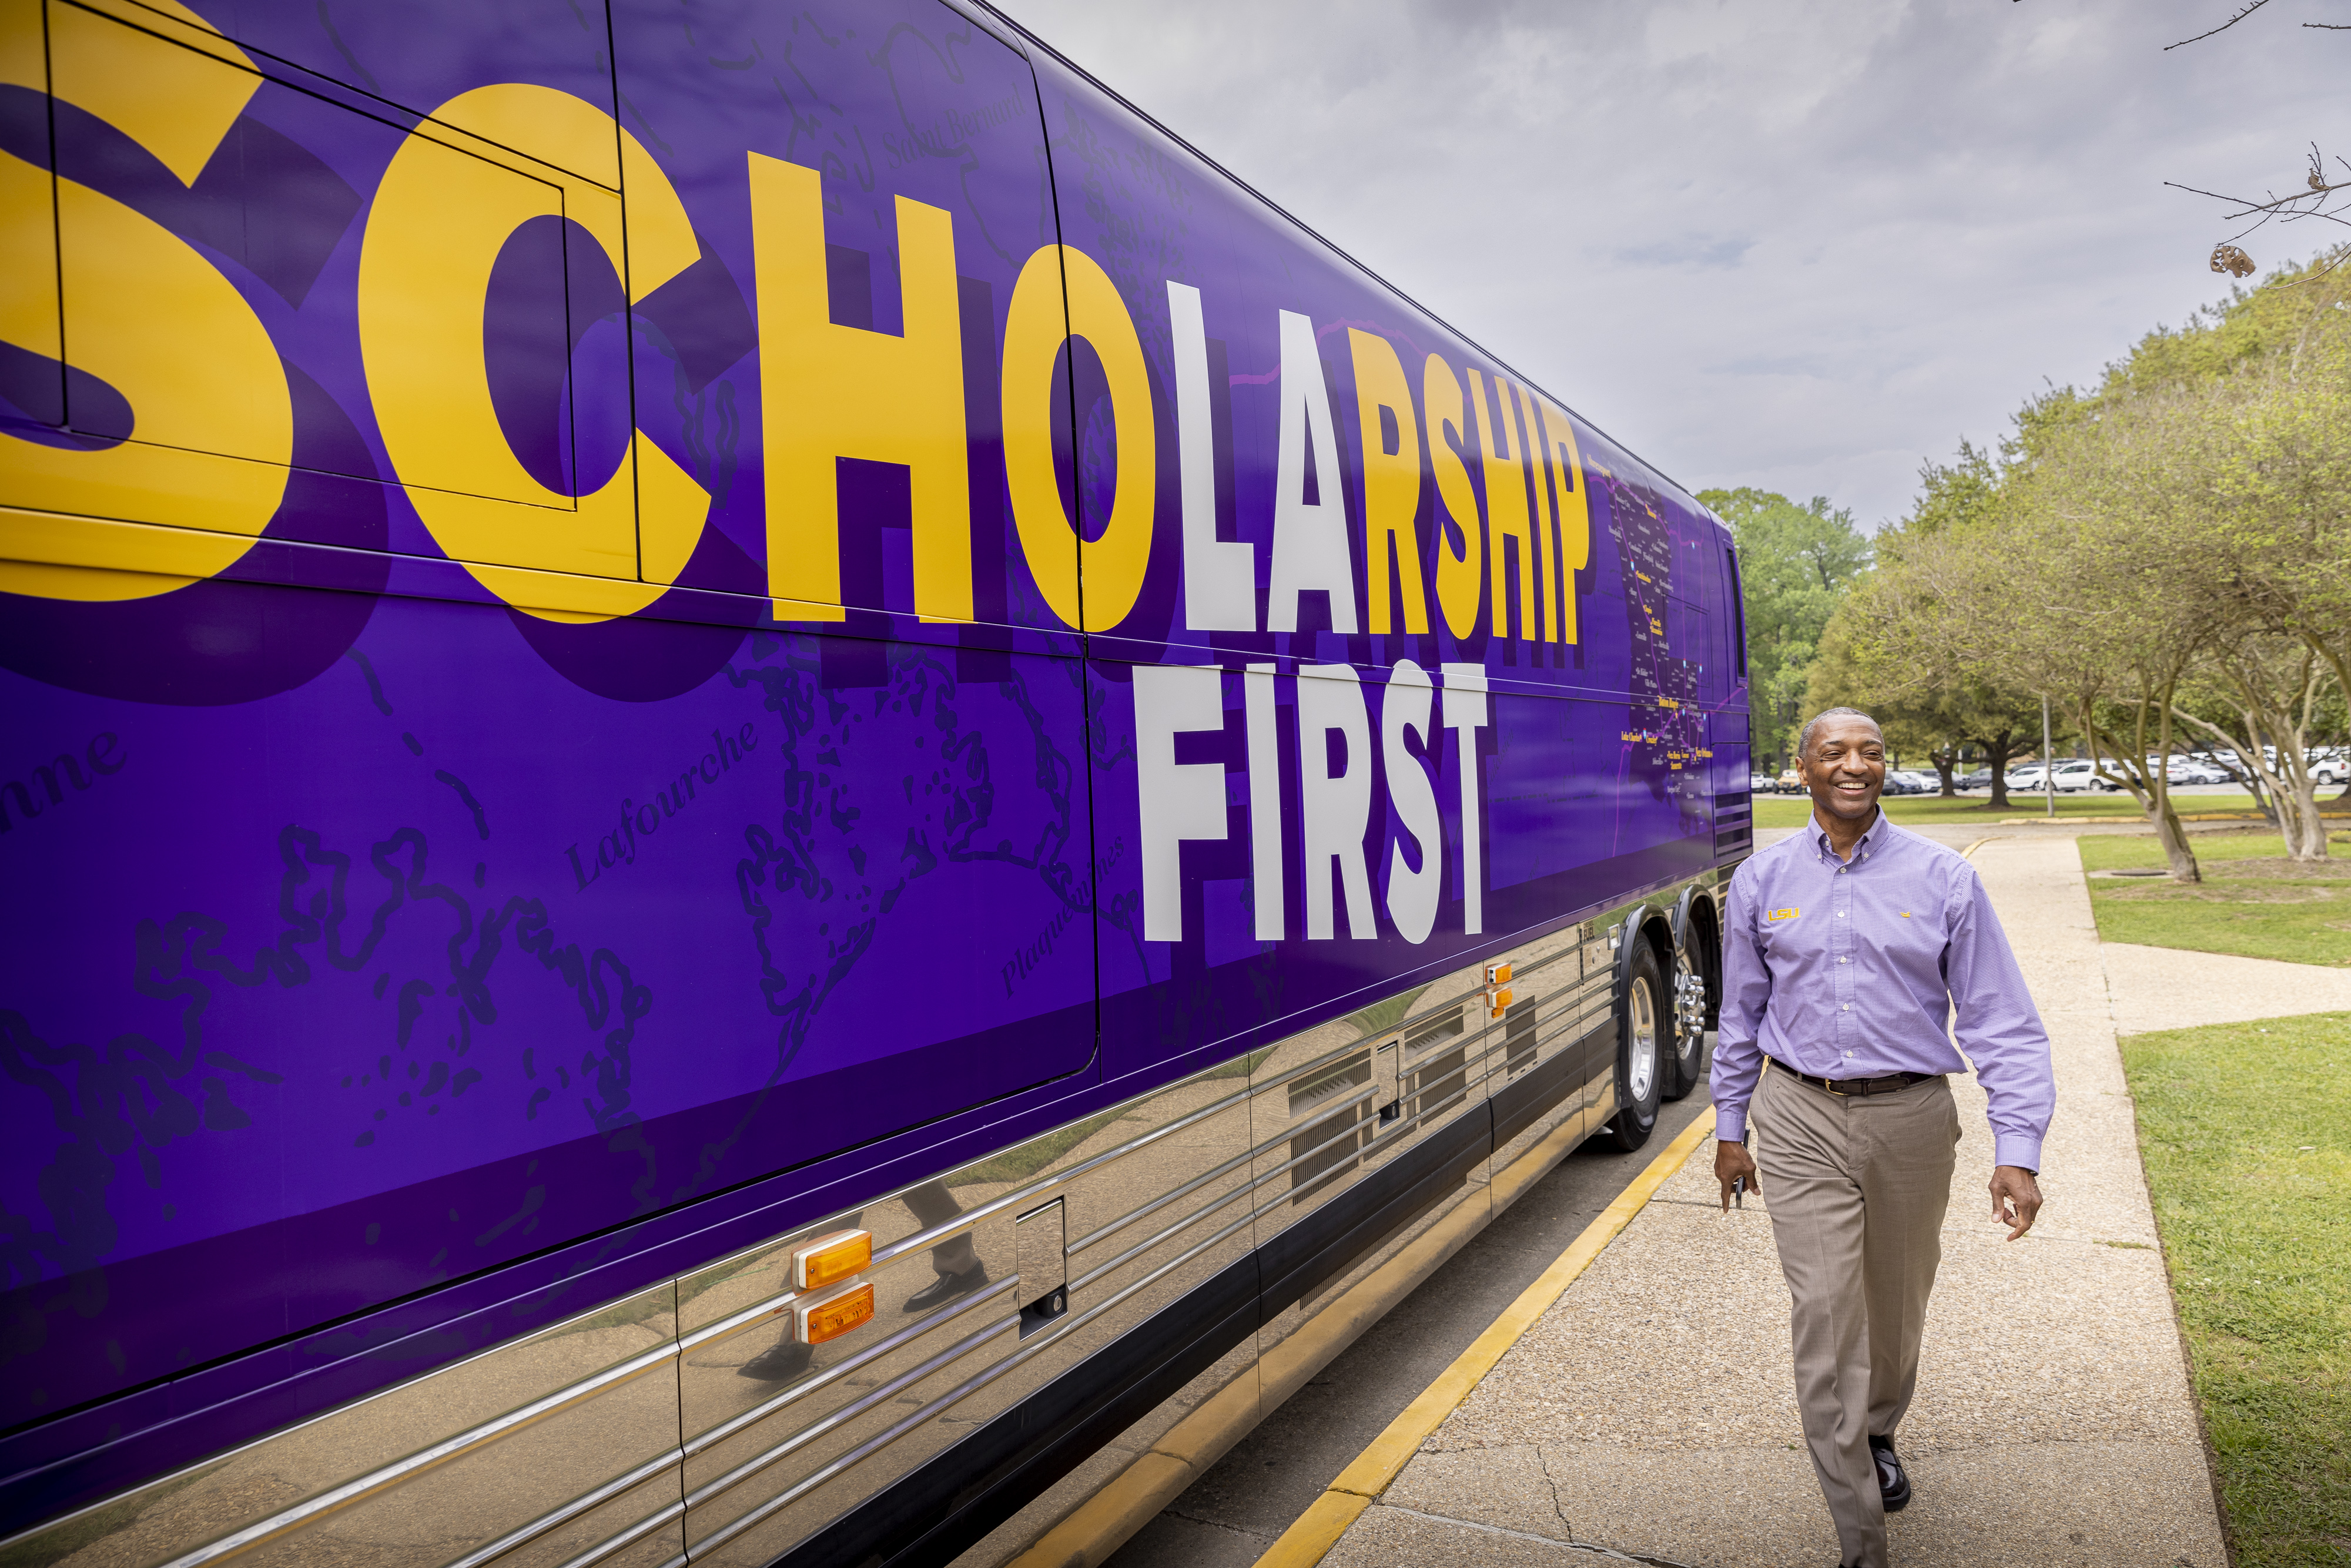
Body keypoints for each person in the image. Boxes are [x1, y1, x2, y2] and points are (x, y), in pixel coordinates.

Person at [1712, 708, 2053, 1568]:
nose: (1853, 765)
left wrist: (2018, 1148)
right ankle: (1862, 1541)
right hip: (1797, 1116)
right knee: (1826, 1317)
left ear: (1884, 766)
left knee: (1893, 1315)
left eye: (1869, 751)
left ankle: (1877, 1428)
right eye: (1834, 752)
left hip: (1912, 1116)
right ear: (1803, 769)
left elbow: (2002, 1020)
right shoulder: (1761, 881)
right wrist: (1729, 1126)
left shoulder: (1943, 879)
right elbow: (1741, 1016)